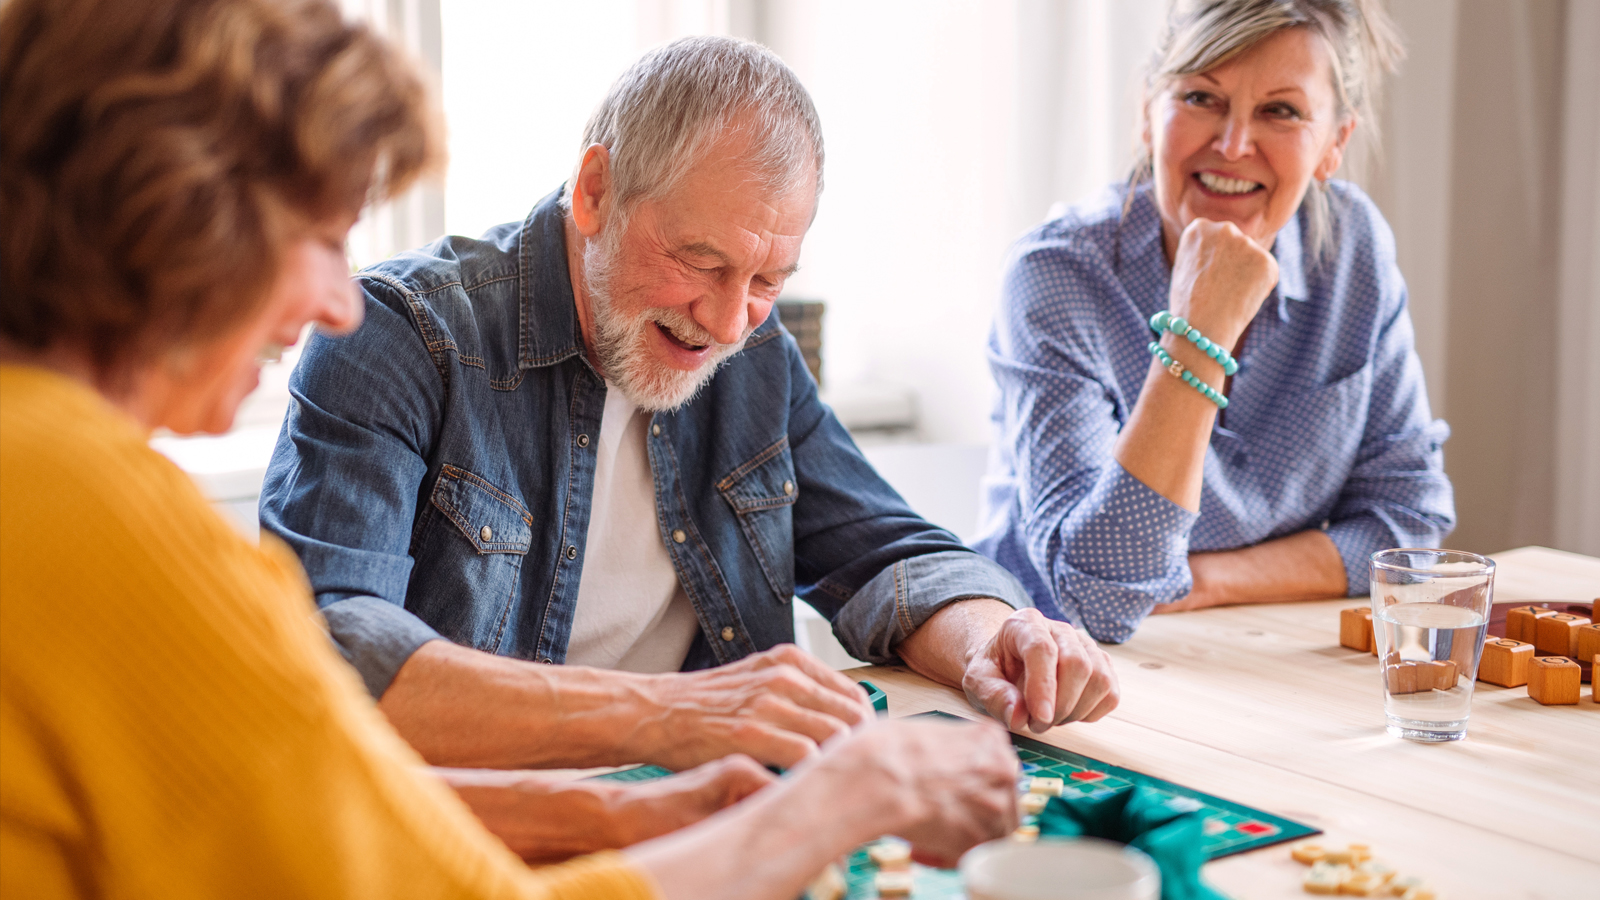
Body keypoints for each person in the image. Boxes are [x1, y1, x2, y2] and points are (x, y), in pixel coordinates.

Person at [0, 1, 1023, 896]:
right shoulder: (98, 502)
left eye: (761, 281)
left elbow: (322, 802)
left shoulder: (44, 459)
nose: (332, 298)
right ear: (171, 208)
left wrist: (622, 818)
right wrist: (820, 801)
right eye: (318, 235)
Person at [258, 35, 1121, 777]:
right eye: (701, 263)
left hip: (701, 803)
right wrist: (676, 715)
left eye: (767, 280)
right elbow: (337, 651)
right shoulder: (398, 335)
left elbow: (884, 553)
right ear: (595, 189)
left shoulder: (756, 353)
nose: (727, 320)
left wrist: (992, 640)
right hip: (479, 826)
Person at [973, 0, 1454, 642]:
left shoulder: (1352, 247)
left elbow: (1409, 527)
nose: (1232, 145)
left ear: (1334, 144)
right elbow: (1101, 598)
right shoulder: (1058, 274)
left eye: (1280, 111)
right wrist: (1197, 330)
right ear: (1149, 111)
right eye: (1202, 97)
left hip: (1253, 652)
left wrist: (1203, 580)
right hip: (1051, 678)